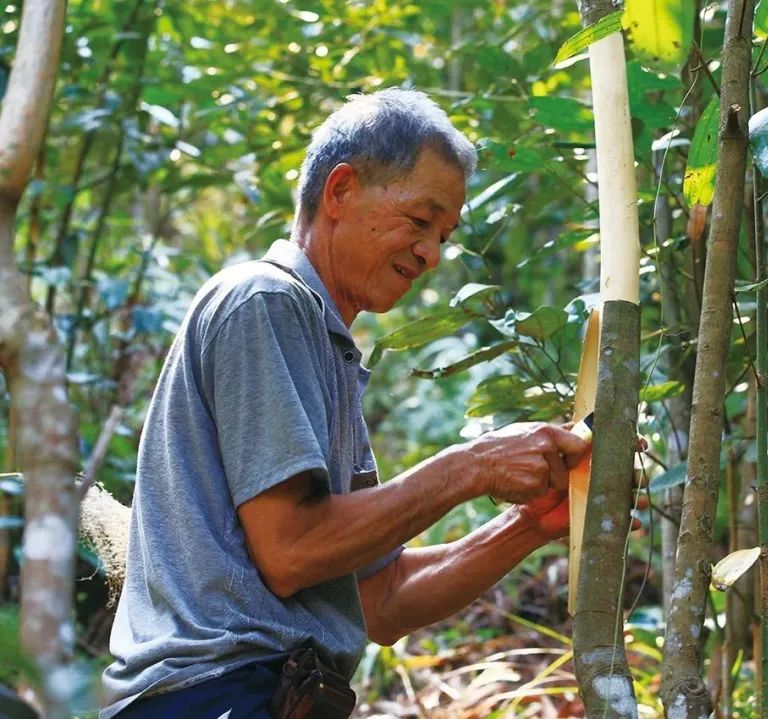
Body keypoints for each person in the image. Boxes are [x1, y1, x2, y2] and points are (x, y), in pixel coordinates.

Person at [100, 88, 596, 719]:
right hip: (213, 695)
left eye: (444, 235)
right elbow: (291, 552)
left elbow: (381, 600)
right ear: (340, 191)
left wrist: (530, 525)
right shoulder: (264, 300)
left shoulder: (324, 346)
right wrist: (473, 466)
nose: (431, 254)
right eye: (420, 221)